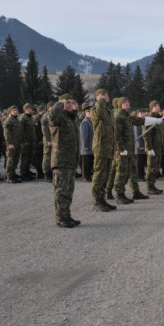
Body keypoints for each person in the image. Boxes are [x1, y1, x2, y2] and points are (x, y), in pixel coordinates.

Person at [114, 97, 162, 204]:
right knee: (121, 173)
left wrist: (155, 120)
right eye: (125, 103)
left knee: (133, 173)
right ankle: (119, 194)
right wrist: (121, 149)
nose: (127, 104)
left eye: (128, 103)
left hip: (130, 151)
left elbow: (141, 120)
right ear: (120, 105)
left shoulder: (128, 117)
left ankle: (136, 192)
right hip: (123, 151)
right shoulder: (119, 117)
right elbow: (117, 135)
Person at [48, 95, 81, 228]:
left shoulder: (70, 118)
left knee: (69, 190)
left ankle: (67, 215)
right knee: (61, 190)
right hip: (61, 160)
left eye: (71, 102)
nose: (69, 105)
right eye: (67, 102)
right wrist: (59, 104)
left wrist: (74, 110)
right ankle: (61, 218)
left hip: (71, 160)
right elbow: (51, 117)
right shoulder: (59, 117)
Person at [90, 89, 117, 212]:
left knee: (106, 175)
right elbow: (99, 113)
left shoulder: (109, 112)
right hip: (100, 147)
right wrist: (100, 101)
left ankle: (102, 199)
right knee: (99, 174)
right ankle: (97, 201)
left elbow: (112, 132)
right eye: (102, 95)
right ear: (97, 98)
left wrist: (114, 148)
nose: (105, 97)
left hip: (108, 148)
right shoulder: (95, 110)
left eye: (106, 94)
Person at [144, 100, 164, 195]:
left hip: (158, 148)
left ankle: (153, 185)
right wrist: (149, 148)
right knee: (151, 167)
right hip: (152, 148)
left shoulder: (159, 118)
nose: (157, 107)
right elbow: (146, 135)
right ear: (151, 108)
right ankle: (150, 187)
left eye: (158, 105)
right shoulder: (149, 119)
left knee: (156, 167)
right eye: (155, 106)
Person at [3, 105, 22, 183]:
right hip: (11, 144)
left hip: (17, 143)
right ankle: (9, 176)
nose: (16, 111)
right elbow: (6, 133)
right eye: (14, 110)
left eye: (16, 110)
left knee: (16, 159)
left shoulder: (16, 120)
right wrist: (9, 143)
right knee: (10, 160)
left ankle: (13, 173)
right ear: (10, 112)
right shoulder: (9, 120)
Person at [19, 104, 36, 180]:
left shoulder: (30, 118)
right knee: (24, 158)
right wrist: (23, 141)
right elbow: (21, 131)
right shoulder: (23, 118)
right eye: (28, 108)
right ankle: (23, 173)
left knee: (29, 157)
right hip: (26, 141)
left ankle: (27, 171)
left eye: (30, 108)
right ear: (24, 109)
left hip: (31, 141)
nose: (30, 110)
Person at [79, 106, 94, 181]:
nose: (90, 113)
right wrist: (84, 145)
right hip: (86, 146)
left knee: (89, 162)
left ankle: (88, 176)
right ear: (85, 114)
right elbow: (84, 135)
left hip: (90, 145)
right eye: (89, 112)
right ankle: (85, 177)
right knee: (86, 163)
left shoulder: (90, 121)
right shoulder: (85, 122)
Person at [41, 101, 53, 182]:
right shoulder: (45, 116)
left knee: (53, 156)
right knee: (47, 156)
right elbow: (45, 130)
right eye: (51, 107)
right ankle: (46, 173)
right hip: (48, 140)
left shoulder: (54, 115)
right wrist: (48, 140)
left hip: (54, 139)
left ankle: (51, 172)